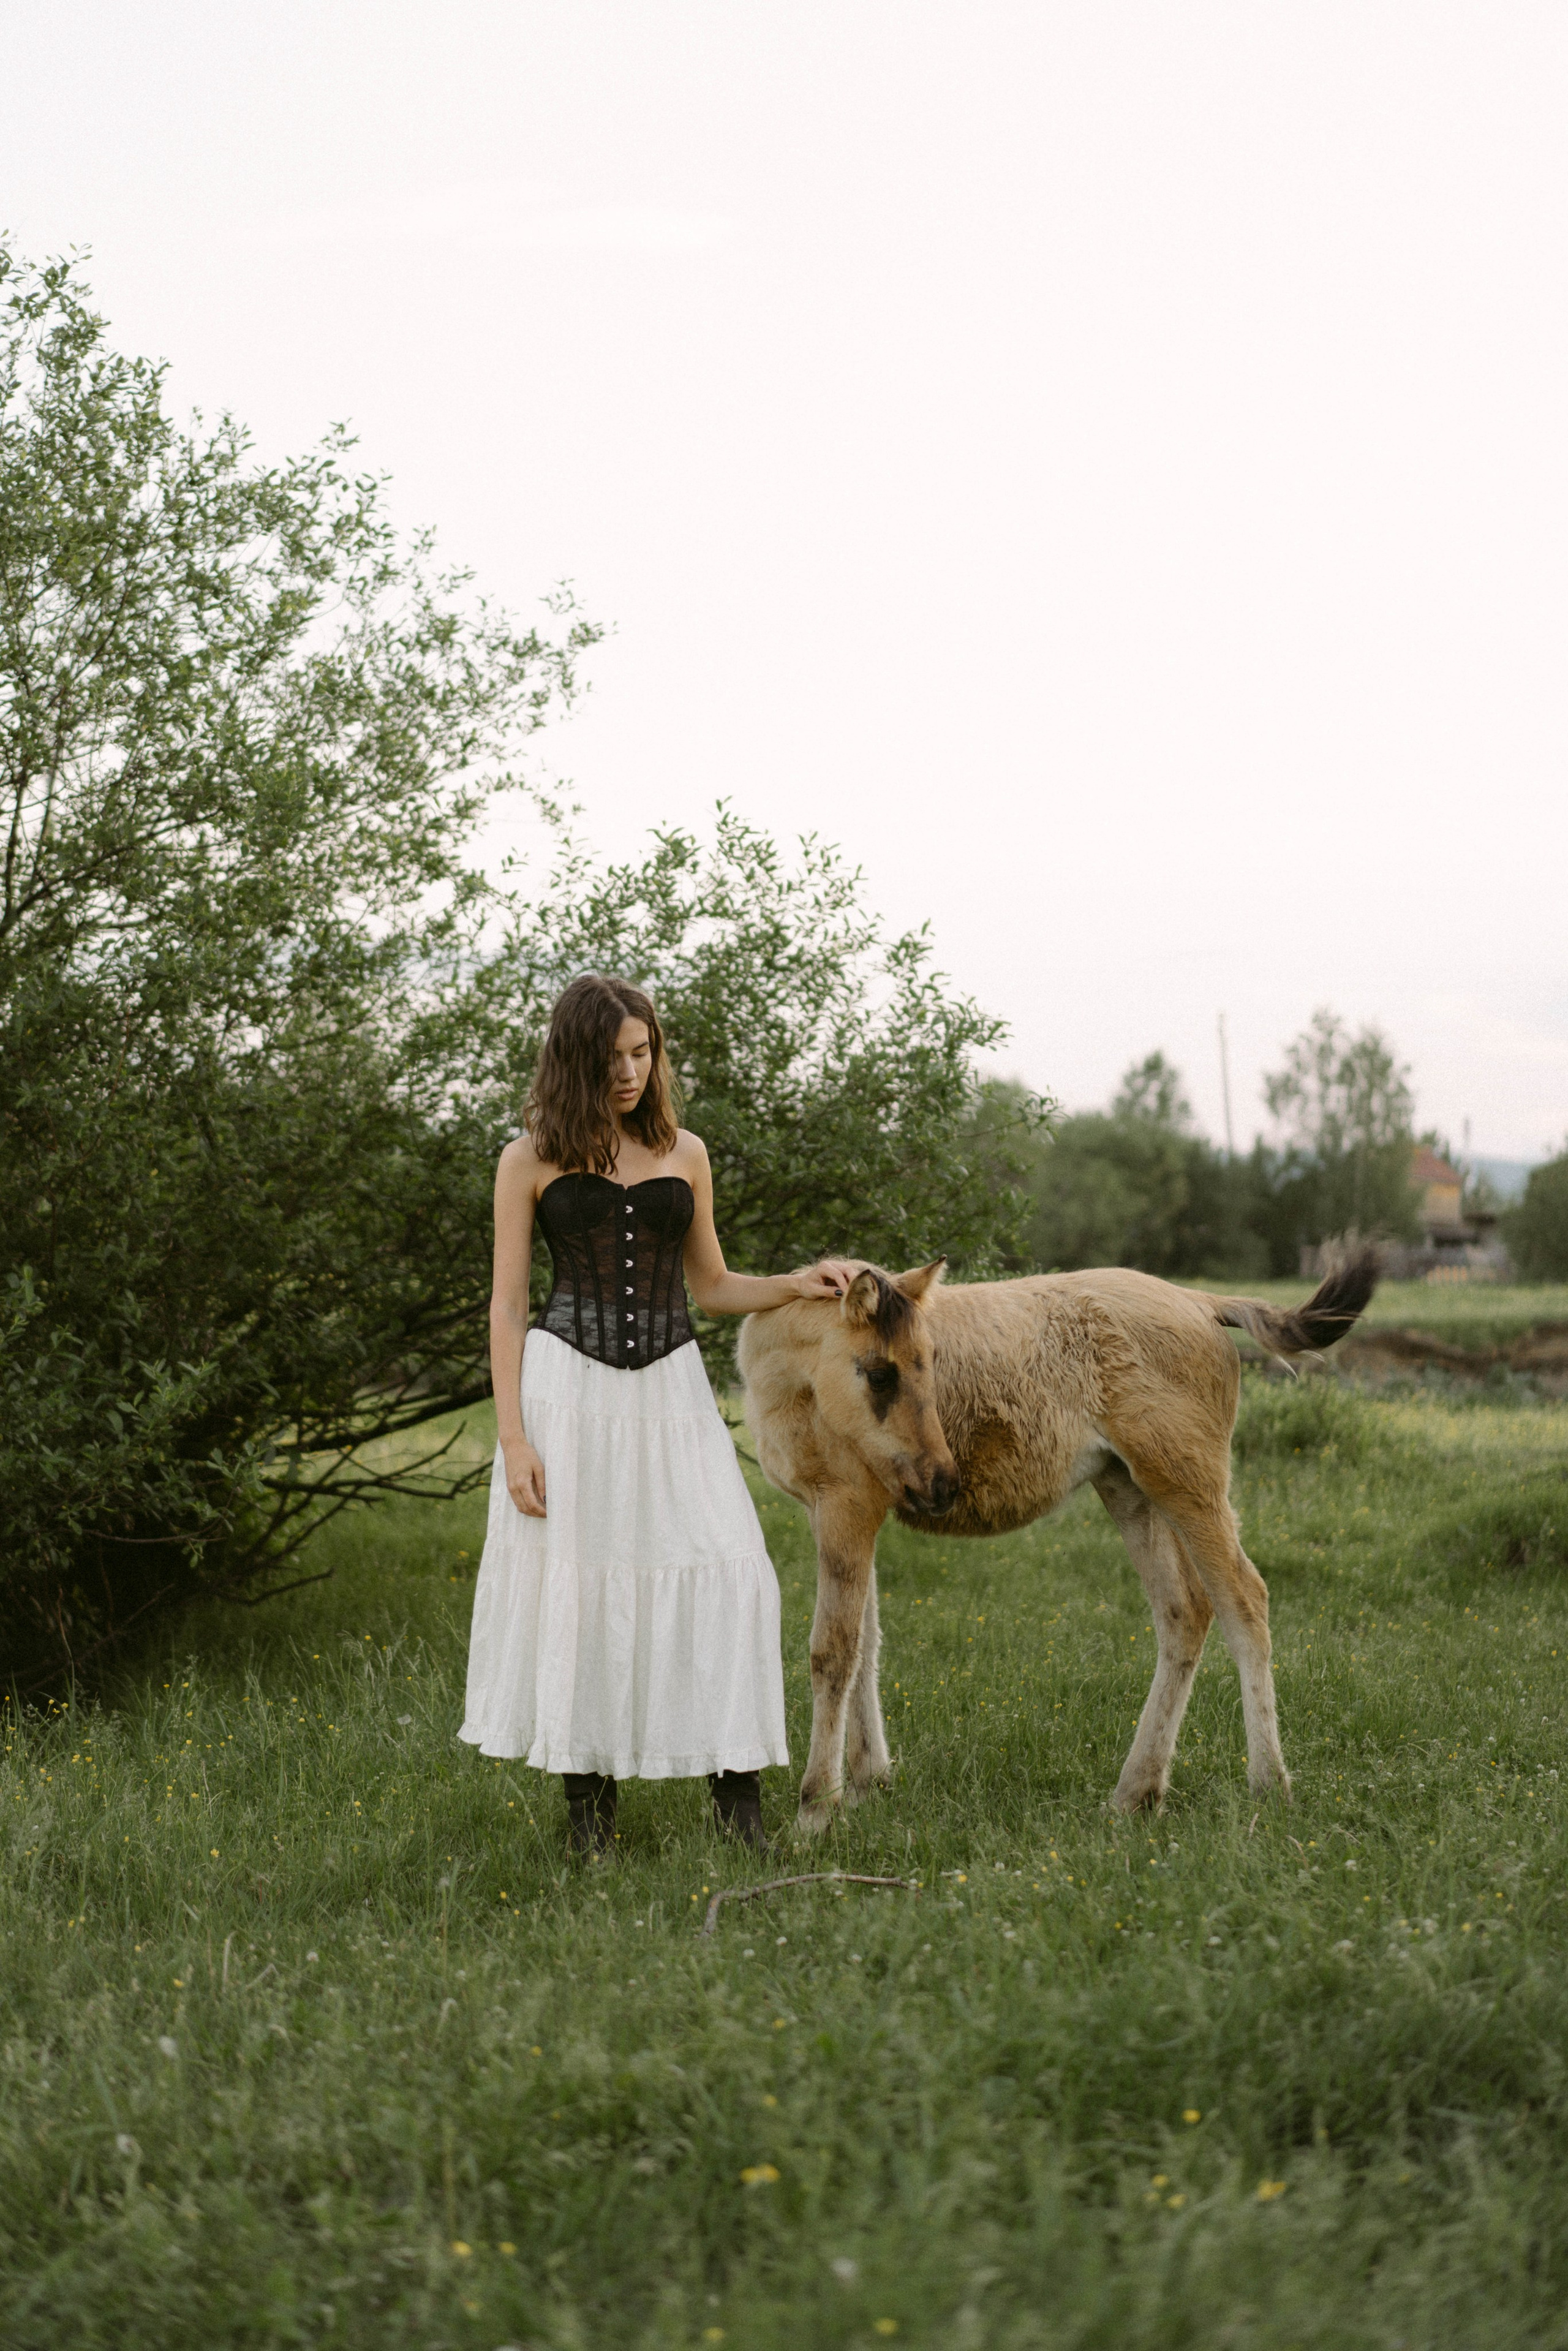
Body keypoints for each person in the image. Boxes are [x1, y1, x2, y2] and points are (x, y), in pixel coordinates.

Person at [459, 973, 851, 1852]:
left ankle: (736, 1792)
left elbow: (710, 1285)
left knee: (731, 1562)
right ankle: (587, 1809)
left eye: (643, 1052)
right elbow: (507, 1304)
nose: (631, 1072)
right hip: (570, 1395)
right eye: (611, 1059)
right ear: (573, 1061)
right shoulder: (527, 1159)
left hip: (671, 1387)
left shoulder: (685, 1150)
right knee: (584, 1581)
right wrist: (513, 1436)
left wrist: (794, 1282)